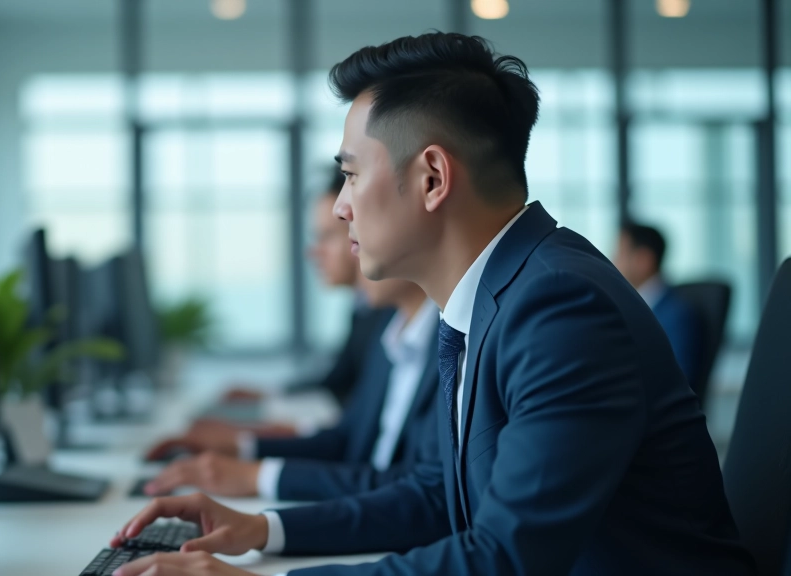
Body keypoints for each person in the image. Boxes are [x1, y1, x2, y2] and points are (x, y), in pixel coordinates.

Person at [110, 32, 754, 576]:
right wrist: (262, 530)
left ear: (432, 178)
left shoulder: (560, 305)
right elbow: (437, 494)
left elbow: (506, 557)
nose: (341, 206)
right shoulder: (496, 296)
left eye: (351, 174)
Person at [147, 173, 394, 459]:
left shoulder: (386, 314)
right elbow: (339, 387)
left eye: (326, 236)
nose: (313, 252)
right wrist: (265, 405)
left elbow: (349, 418)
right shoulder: (366, 309)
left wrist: (250, 436)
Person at [142, 276, 440, 502]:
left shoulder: (442, 342)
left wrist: (257, 478)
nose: (314, 250)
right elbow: (349, 438)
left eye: (328, 236)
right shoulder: (391, 329)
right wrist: (244, 447)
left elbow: (418, 492)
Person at [613, 221, 700, 382]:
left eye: (620, 254)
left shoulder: (676, 315)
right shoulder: (630, 308)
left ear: (644, 260)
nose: (614, 262)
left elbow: (676, 380)